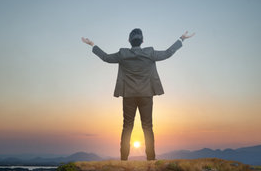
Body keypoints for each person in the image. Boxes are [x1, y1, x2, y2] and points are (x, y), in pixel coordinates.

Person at [81, 29, 195, 161]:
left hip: (128, 95)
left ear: (129, 41)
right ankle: (151, 159)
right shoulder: (150, 53)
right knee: (147, 126)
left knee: (127, 126)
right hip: (146, 95)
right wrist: (181, 38)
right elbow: (168, 53)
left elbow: (106, 57)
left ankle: (124, 159)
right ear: (142, 41)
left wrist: (92, 44)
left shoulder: (123, 54)